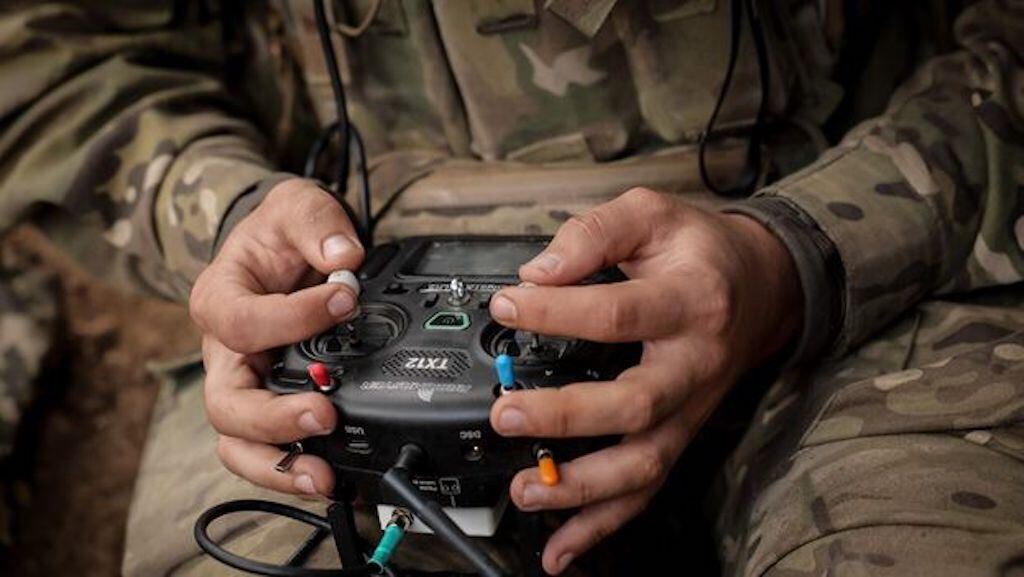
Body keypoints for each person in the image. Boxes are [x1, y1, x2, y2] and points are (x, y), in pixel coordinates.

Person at [0, 1, 1022, 575]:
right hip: (342, 285)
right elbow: (55, 60)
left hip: (856, 253)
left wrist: (789, 257)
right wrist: (232, 218)